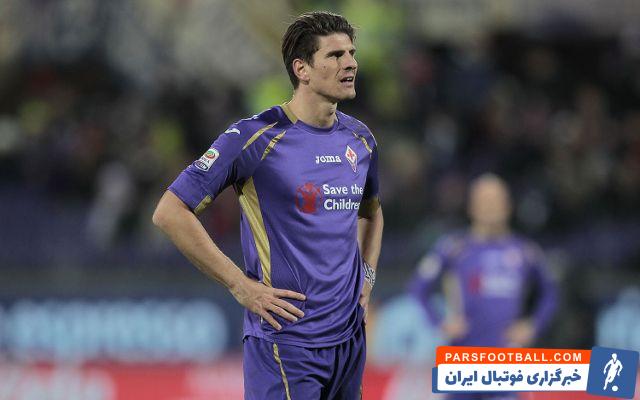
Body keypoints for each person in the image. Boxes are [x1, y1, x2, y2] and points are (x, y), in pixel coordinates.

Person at [152, 11, 383, 400]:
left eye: (351, 53)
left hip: (348, 341)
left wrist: (368, 276)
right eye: (335, 55)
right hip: (285, 343)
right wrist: (240, 285)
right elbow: (170, 212)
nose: (350, 63)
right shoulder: (255, 137)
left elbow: (371, 211)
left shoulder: (360, 139)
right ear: (301, 69)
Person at [409, 174, 557, 400]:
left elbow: (551, 293)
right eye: (484, 201)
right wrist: (440, 323)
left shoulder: (524, 251)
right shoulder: (454, 248)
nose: (490, 207)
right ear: (472, 207)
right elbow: (418, 288)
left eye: (496, 200)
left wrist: (533, 326)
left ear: (508, 206)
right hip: (462, 361)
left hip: (506, 364)